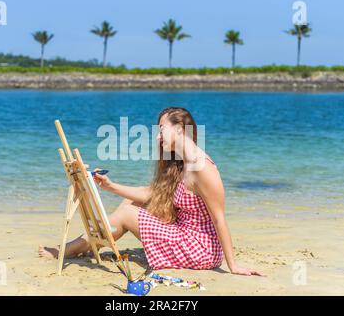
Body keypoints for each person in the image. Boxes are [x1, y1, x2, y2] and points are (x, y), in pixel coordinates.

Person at [39, 106, 263, 276]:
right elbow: (151, 194)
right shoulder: (181, 163)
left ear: (179, 129)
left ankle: (68, 250)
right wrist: (110, 186)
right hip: (185, 235)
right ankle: (88, 245)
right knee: (129, 205)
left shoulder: (203, 167)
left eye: (161, 130)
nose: (157, 136)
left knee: (127, 214)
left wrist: (233, 265)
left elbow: (219, 218)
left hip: (200, 248)